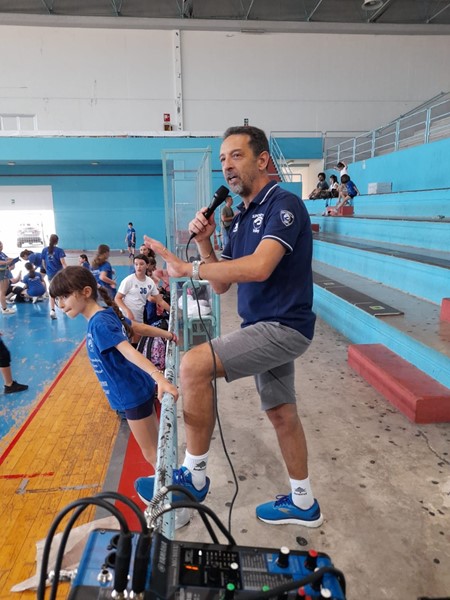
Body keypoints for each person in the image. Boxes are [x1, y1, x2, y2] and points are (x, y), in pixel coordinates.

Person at [135, 125, 323, 528]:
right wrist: (205, 243)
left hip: (282, 326)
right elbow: (221, 283)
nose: (227, 166)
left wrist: (190, 268)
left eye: (236, 156)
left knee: (193, 365)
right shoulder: (239, 219)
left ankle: (194, 476)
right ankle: (304, 502)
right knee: (282, 414)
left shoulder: (283, 205)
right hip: (263, 324)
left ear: (262, 160)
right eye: (223, 159)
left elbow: (260, 267)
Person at [49, 266, 178, 469]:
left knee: (152, 454)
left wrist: (160, 378)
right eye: (58, 299)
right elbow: (135, 327)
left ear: (86, 292)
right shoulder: (105, 315)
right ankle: (171, 480)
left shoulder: (99, 324)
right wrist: (167, 334)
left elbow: (128, 351)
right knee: (158, 447)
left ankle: (169, 485)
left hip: (131, 394)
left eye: (65, 296)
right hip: (137, 387)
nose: (61, 304)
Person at [115, 254, 170, 333]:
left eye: (141, 264)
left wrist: (172, 311)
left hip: (139, 316)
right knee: (127, 337)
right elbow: (117, 298)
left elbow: (160, 301)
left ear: (147, 265)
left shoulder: (150, 282)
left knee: (138, 338)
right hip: (126, 316)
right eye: (136, 264)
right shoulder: (128, 280)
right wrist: (127, 311)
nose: (138, 267)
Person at [41, 234, 67, 319]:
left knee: (52, 290)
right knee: (61, 290)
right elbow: (63, 263)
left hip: (50, 274)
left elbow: (43, 263)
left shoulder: (44, 250)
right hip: (59, 274)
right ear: (57, 241)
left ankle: (52, 310)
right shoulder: (60, 251)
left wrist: (47, 270)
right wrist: (68, 271)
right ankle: (63, 308)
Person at [0, 241, 17, 315]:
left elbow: (7, 258)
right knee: (2, 291)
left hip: (5, 273)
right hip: (1, 274)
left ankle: (4, 305)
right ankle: (4, 309)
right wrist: (7, 262)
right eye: (0, 246)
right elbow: (2, 262)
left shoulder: (2, 253)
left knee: (5, 289)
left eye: (1, 246)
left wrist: (13, 260)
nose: (1, 247)